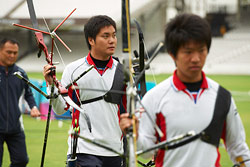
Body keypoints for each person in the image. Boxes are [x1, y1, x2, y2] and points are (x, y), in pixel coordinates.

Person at [120, 13, 250, 167]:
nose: (196, 58)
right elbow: (147, 151)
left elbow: (239, 149)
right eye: (188, 52)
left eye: (201, 50)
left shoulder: (222, 97)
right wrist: (132, 134)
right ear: (173, 54)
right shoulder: (155, 98)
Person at [43, 15, 126, 167]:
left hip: (115, 150)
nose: (112, 40)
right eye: (105, 36)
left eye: (114, 35)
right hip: (83, 149)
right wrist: (51, 85)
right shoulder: (73, 69)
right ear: (91, 40)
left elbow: (129, 112)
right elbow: (60, 109)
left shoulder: (122, 71)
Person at [0, 38, 40, 167]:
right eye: (8, 52)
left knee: (21, 160)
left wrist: (33, 106)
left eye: (15, 53)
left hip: (15, 127)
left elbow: (28, 94)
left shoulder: (21, 73)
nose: (12, 55)